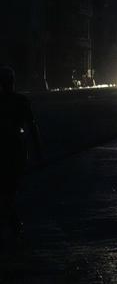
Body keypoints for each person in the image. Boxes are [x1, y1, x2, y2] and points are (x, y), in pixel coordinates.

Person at [0, 66, 42, 240]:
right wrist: (38, 151)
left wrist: (38, 151)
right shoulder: (20, 101)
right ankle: (14, 222)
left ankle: (13, 221)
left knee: (7, 190)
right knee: (8, 190)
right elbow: (32, 127)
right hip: (14, 149)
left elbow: (32, 127)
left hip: (12, 150)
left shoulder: (19, 101)